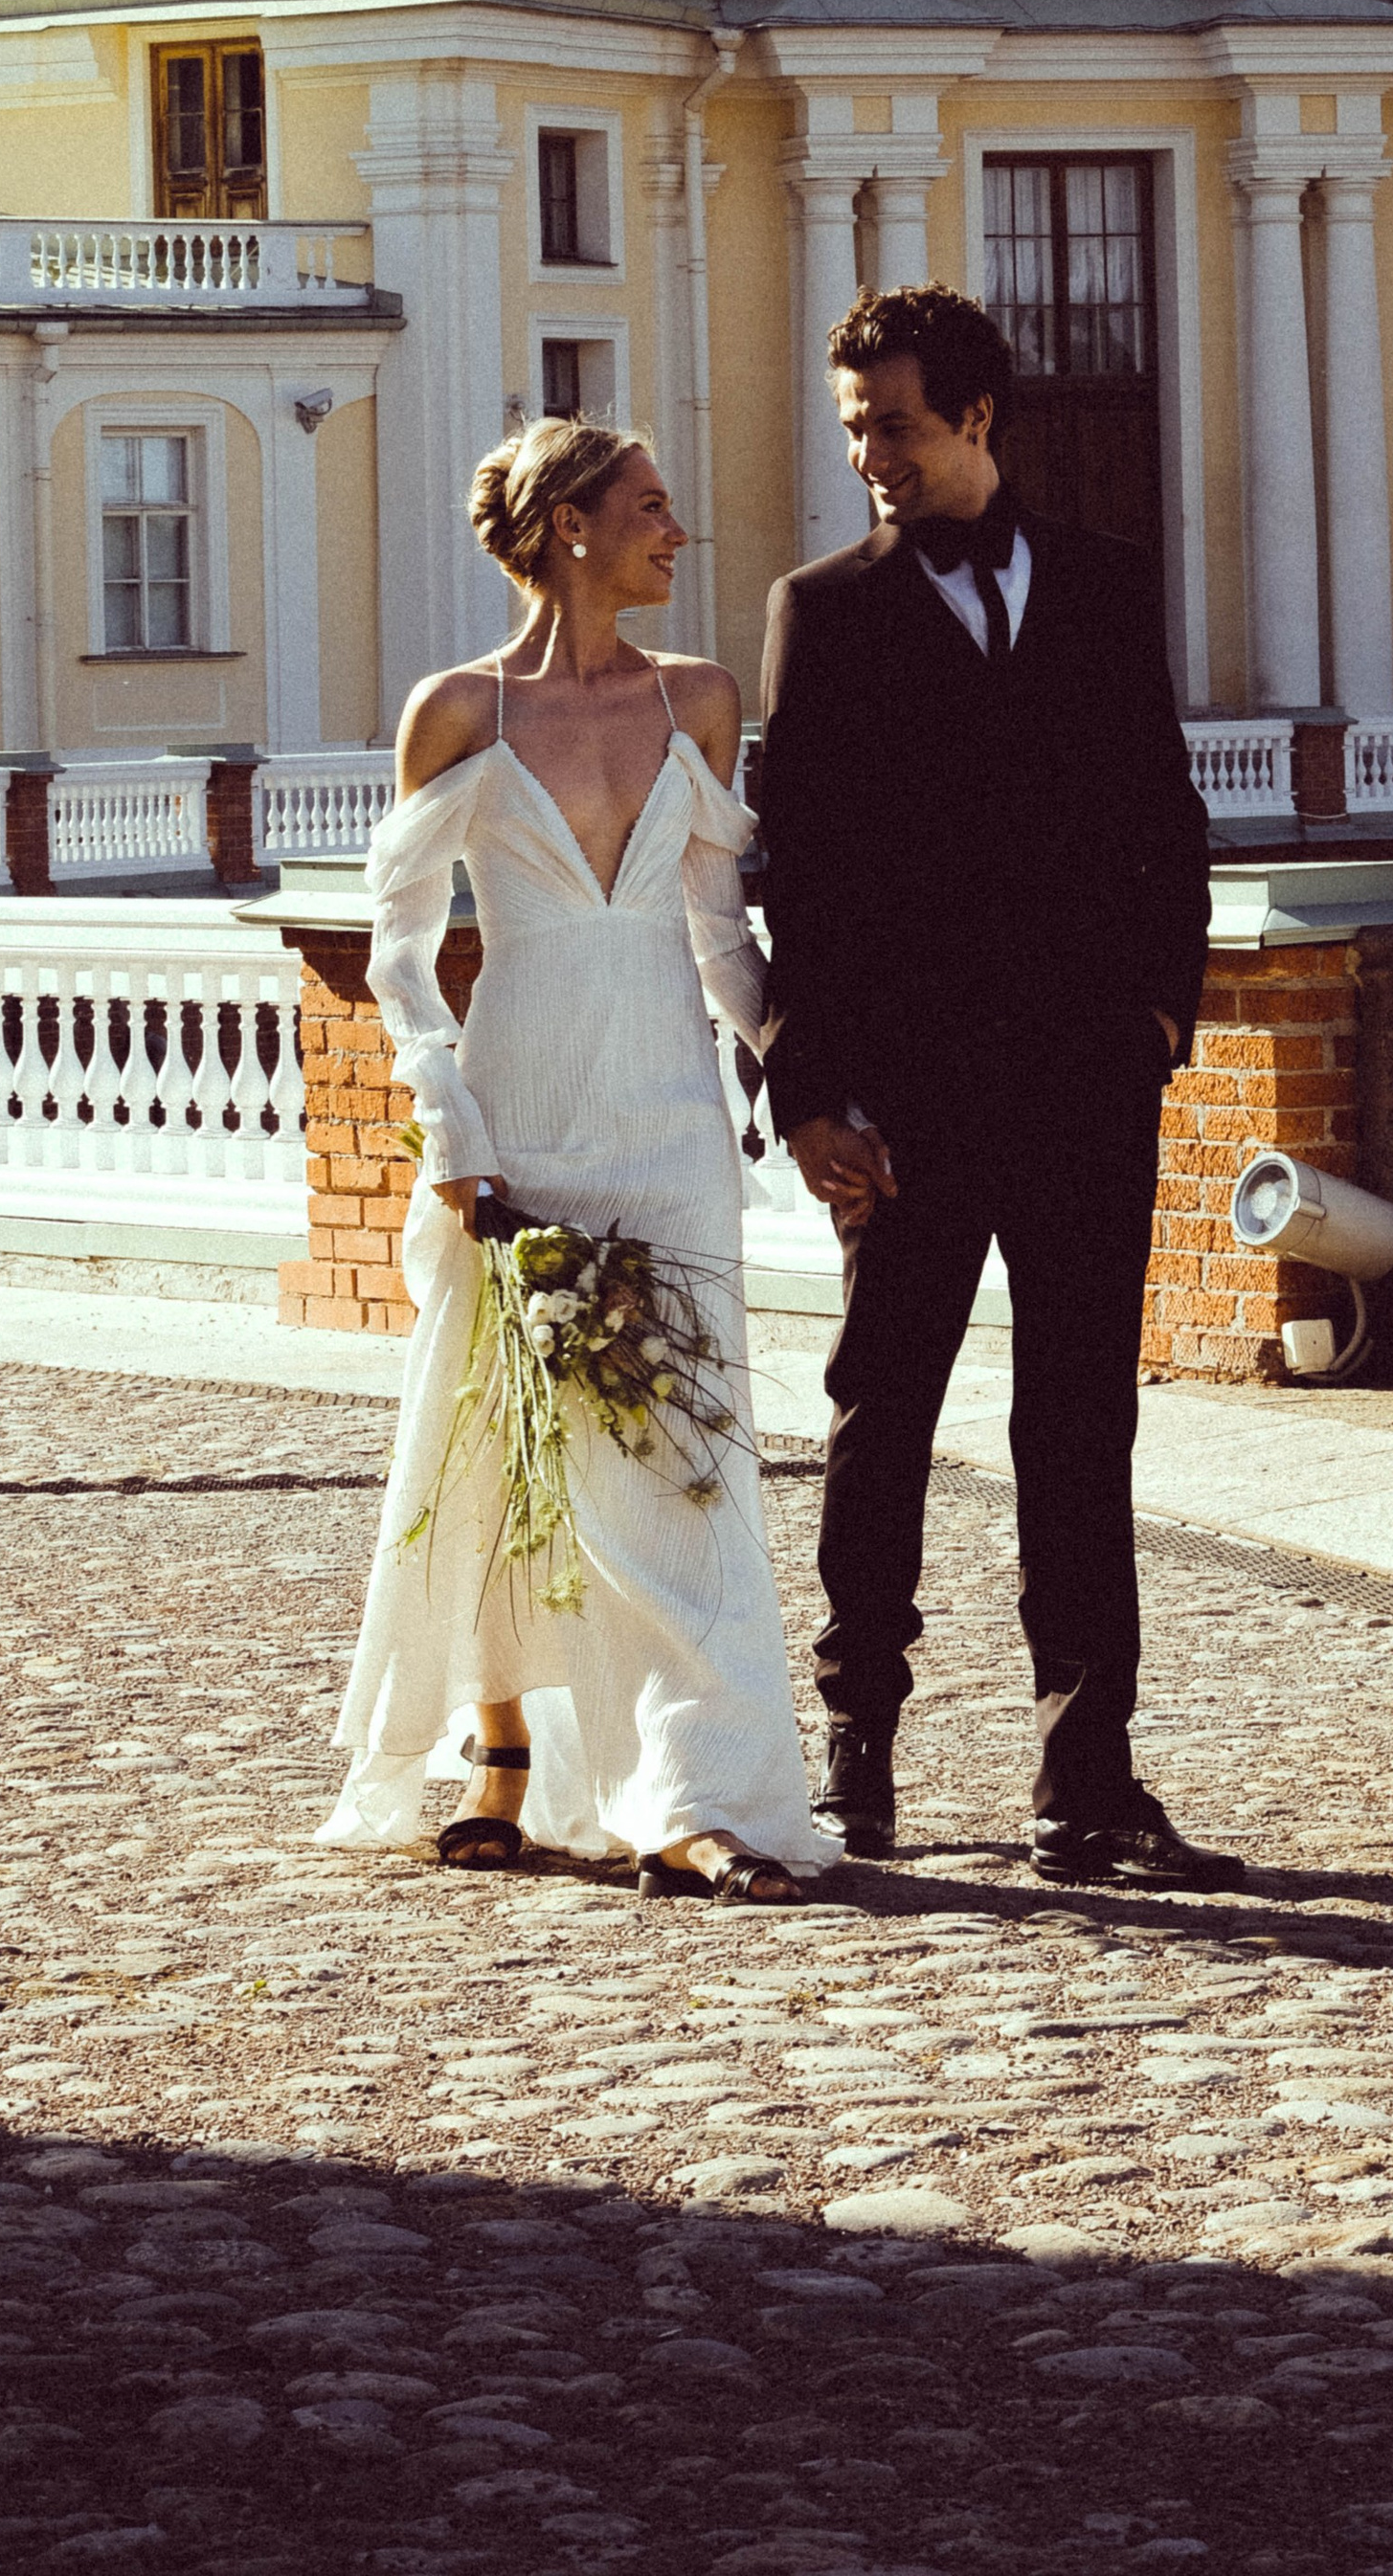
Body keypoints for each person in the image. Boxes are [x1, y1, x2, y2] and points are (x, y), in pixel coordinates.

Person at [757, 283, 1236, 1890]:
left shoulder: (1107, 584)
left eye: (890, 423)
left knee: (1080, 1426)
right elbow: (800, 883)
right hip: (906, 1102)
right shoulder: (819, 612)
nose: (869, 456)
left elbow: (1162, 815)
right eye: (851, 432)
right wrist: (810, 1094)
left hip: (1093, 1086)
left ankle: (1084, 1779)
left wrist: (1161, 1014)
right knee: (880, 1419)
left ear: (975, 416)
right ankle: (856, 1757)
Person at [319, 417, 833, 1903]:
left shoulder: (700, 700)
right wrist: (453, 1134)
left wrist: (798, 1079)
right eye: (653, 511)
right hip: (519, 1112)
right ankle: (500, 1754)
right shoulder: (459, 712)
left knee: (685, 1462)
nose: (681, 536)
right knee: (499, 1444)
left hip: (669, 1120)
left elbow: (719, 936)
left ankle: (693, 1791)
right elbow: (399, 958)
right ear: (570, 530)